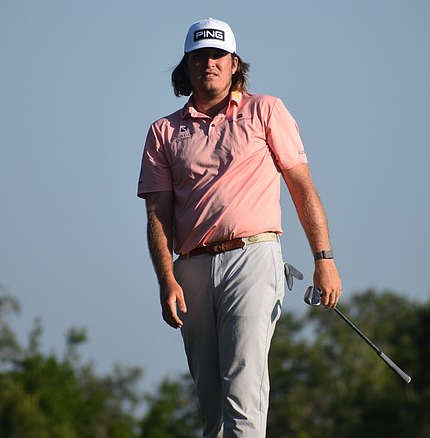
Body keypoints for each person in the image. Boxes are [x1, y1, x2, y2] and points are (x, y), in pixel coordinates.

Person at [137, 18, 342, 437]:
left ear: (234, 64)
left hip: (253, 257)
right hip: (190, 267)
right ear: (186, 65)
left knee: (243, 393)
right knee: (211, 407)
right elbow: (157, 216)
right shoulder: (163, 131)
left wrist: (324, 259)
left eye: (216, 55)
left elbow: (302, 187)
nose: (207, 63)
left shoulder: (266, 109)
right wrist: (166, 280)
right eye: (199, 56)